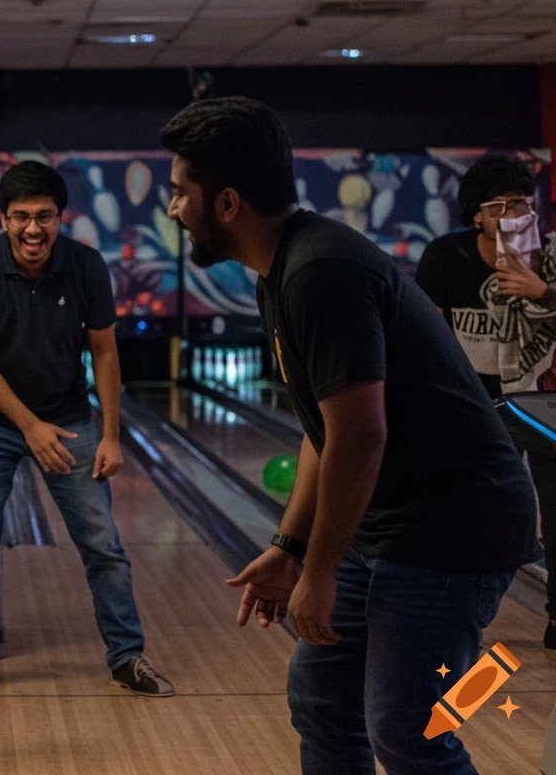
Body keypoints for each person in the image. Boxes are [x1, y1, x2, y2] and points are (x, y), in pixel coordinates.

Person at [161, 96, 536, 775]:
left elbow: (362, 439)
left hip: (454, 527)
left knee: (408, 731)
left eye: (180, 192)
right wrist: (290, 548)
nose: (172, 208)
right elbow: (323, 430)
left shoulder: (319, 273)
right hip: (388, 523)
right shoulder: (282, 271)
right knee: (324, 705)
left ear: (227, 203)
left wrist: (321, 569)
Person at [0, 161, 173, 700]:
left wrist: (110, 435)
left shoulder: (86, 266)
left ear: (62, 217)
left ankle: (127, 656)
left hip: (68, 420)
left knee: (103, 543)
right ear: (3, 218)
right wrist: (29, 426)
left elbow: (106, 352)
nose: (33, 229)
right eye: (21, 217)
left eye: (44, 216)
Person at [415, 153, 556, 647]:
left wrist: (543, 292)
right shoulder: (445, 256)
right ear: (477, 214)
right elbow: (429, 335)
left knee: (555, 509)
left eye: (521, 202)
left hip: (542, 402)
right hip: (473, 404)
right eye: (498, 206)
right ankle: (454, 611)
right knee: (467, 511)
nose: (512, 214)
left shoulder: (553, 256)